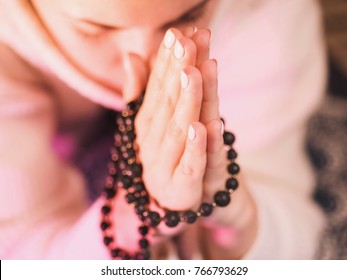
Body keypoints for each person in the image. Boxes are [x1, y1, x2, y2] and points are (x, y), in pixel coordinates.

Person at [0, 0, 327, 259]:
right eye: (95, 29)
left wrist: (243, 218)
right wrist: (127, 224)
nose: (145, 55)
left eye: (189, 14)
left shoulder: (265, 21)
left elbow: (297, 233)